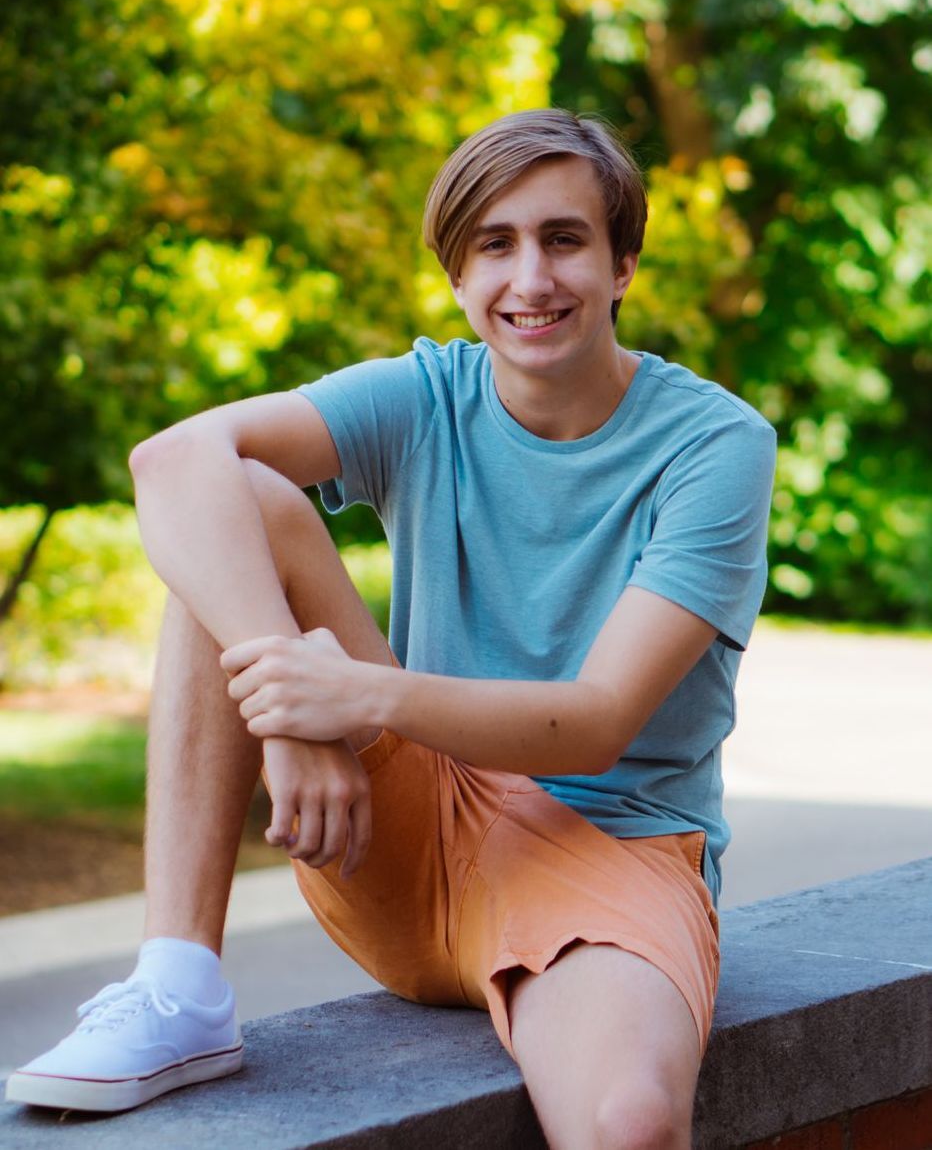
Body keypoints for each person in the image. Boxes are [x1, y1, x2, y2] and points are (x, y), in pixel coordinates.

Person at [6, 108, 775, 1149]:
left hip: (605, 854)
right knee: (235, 502)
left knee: (629, 1123)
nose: (529, 279)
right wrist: (289, 718)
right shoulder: (428, 395)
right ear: (457, 278)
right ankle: (178, 984)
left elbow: (595, 720)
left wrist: (355, 695)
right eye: (492, 246)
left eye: (562, 239)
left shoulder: (713, 445)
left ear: (622, 261)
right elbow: (171, 463)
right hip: (407, 828)